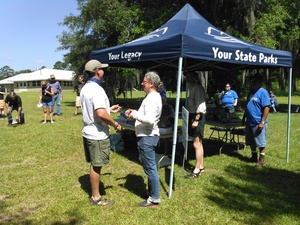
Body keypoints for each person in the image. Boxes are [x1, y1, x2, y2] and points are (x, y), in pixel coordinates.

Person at [80, 59, 122, 206]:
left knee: (94, 163)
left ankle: (95, 195)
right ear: (98, 71)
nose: (104, 71)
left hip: (88, 130)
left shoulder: (85, 87)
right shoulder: (97, 89)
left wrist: (108, 109)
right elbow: (100, 114)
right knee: (97, 165)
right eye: (102, 69)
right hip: (97, 133)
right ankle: (96, 197)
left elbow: (97, 110)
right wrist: (115, 123)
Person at [125, 71, 163, 208]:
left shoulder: (153, 98)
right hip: (146, 136)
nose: (142, 83)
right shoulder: (150, 97)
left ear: (151, 83)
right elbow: (145, 115)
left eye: (144, 81)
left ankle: (154, 198)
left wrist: (135, 114)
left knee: (150, 168)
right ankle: (153, 192)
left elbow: (150, 120)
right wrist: (134, 114)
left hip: (147, 137)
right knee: (149, 166)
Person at [242, 73, 270, 167]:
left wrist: (262, 122)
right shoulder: (251, 92)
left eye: (256, 81)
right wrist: (244, 118)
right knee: (251, 141)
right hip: (249, 121)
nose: (254, 83)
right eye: (253, 82)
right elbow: (247, 106)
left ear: (260, 82)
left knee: (260, 141)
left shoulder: (263, 92)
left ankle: (261, 159)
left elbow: (266, 108)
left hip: (258, 122)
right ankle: (254, 156)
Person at [185, 72, 207, 179]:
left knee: (196, 144)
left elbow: (201, 104)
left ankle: (197, 169)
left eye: (187, 77)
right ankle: (201, 166)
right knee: (199, 143)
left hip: (197, 117)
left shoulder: (197, 88)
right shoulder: (192, 88)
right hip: (194, 116)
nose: (186, 79)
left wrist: (196, 119)